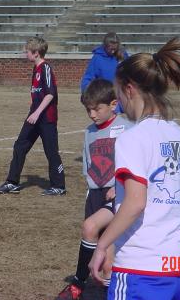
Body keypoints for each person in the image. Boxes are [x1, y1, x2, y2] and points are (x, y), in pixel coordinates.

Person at [89, 37, 180, 300]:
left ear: (129, 89)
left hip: (140, 270)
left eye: (118, 93)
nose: (119, 101)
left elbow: (135, 203)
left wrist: (102, 245)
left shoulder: (133, 138)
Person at [56, 79, 133, 300]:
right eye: (88, 109)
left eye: (97, 109)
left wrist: (121, 188)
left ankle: (78, 285)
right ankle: (108, 292)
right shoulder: (90, 131)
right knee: (106, 260)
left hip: (117, 194)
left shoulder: (128, 129)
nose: (92, 114)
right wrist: (90, 190)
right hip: (95, 195)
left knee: (91, 229)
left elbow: (137, 165)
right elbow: (88, 166)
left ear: (114, 104)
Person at [0, 37, 66, 196]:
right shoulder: (36, 69)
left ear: (35, 53)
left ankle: (59, 186)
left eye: (27, 51)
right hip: (34, 116)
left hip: (46, 117)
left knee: (51, 151)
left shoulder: (45, 68)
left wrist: (37, 112)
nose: (25, 54)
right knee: (20, 146)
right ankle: (12, 182)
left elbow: (50, 95)